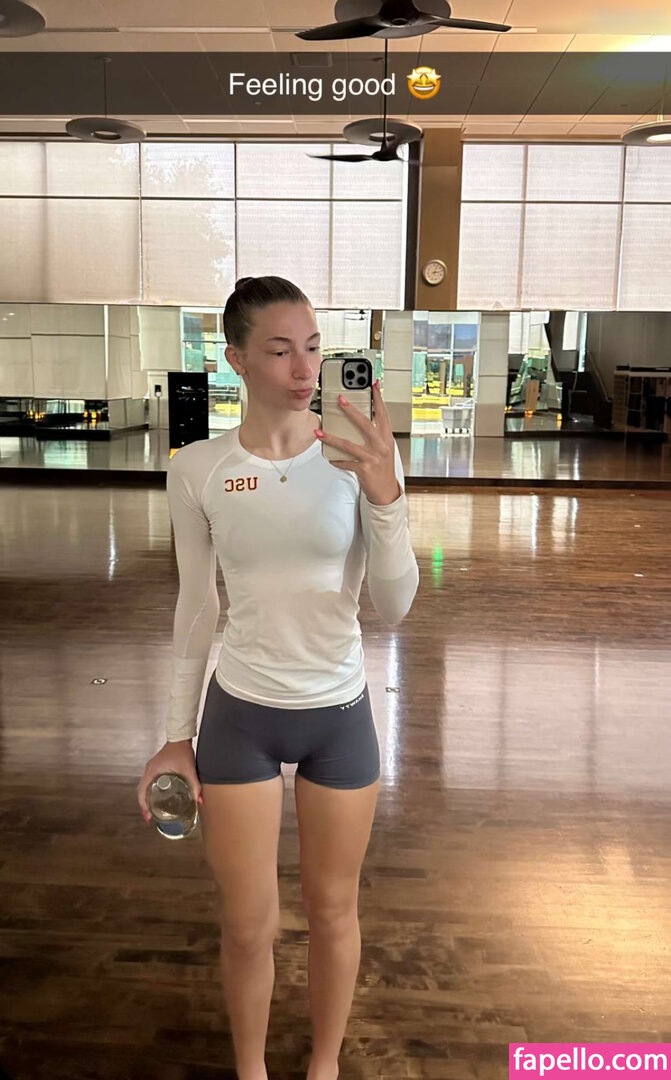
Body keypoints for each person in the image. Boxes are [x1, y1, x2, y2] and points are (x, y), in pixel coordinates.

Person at [137, 275, 419, 1080]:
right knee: (246, 924)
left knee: (333, 912)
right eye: (280, 350)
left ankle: (324, 1065)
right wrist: (174, 737)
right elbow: (197, 605)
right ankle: (251, 1070)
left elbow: (395, 606)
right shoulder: (198, 468)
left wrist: (384, 496)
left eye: (314, 348)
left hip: (339, 714)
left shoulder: (358, 457)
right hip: (241, 718)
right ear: (235, 360)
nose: (304, 369)